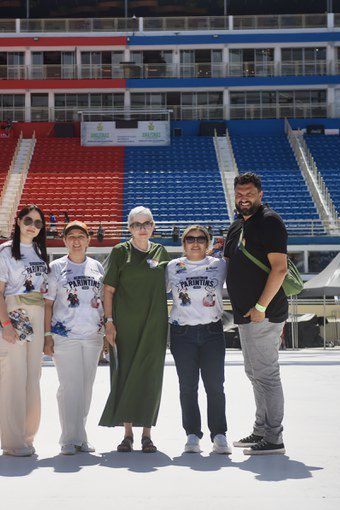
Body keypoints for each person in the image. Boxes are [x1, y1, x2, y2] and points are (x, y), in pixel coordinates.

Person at [224, 173, 289, 456]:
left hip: (263, 313)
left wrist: (261, 307)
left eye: (249, 193)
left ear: (260, 194)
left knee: (267, 375)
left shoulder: (269, 221)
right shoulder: (237, 226)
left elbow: (280, 269)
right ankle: (261, 430)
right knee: (255, 373)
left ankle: (274, 437)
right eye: (239, 194)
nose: (244, 198)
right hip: (245, 315)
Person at [99, 206, 170, 453]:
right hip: (124, 325)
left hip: (154, 325)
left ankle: (147, 434)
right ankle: (128, 433)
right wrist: (109, 321)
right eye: (137, 224)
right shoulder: (120, 251)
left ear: (153, 226)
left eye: (147, 223)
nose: (142, 228)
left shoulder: (162, 252)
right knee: (125, 374)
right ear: (129, 228)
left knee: (151, 377)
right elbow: (108, 290)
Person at [167, 225, 231, 455]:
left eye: (201, 238)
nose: (195, 242)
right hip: (182, 333)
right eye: (190, 239)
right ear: (183, 244)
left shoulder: (219, 265)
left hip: (212, 331)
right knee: (187, 386)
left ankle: (219, 434)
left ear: (207, 242)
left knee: (215, 386)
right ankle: (192, 434)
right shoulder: (172, 267)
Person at [43, 221, 105, 455]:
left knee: (86, 387)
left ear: (88, 239)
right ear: (65, 241)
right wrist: (47, 336)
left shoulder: (97, 266)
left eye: (81, 236)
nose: (76, 241)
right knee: (69, 387)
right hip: (64, 334)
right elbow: (48, 304)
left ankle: (80, 435)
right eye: (72, 237)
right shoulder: (56, 267)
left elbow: (102, 301)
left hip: (92, 335)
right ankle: (68, 438)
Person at [0, 205, 49, 457]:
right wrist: (6, 324)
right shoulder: (5, 251)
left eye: (38, 223)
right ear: (18, 221)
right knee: (12, 378)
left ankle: (27, 436)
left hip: (36, 313)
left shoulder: (39, 251)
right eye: (28, 220)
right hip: (14, 312)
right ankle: (13, 442)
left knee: (32, 378)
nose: (32, 226)